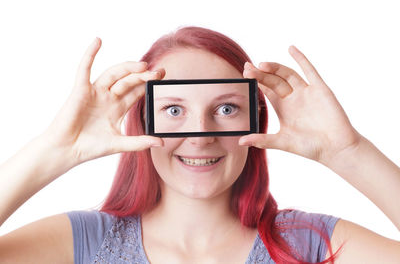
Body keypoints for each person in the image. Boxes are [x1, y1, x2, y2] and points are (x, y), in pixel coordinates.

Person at [0, 26, 399, 263]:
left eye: (226, 108)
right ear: (142, 123)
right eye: (174, 110)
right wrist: (56, 148)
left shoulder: (306, 241)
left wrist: (348, 153)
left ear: (257, 122)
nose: (201, 134)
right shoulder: (86, 241)